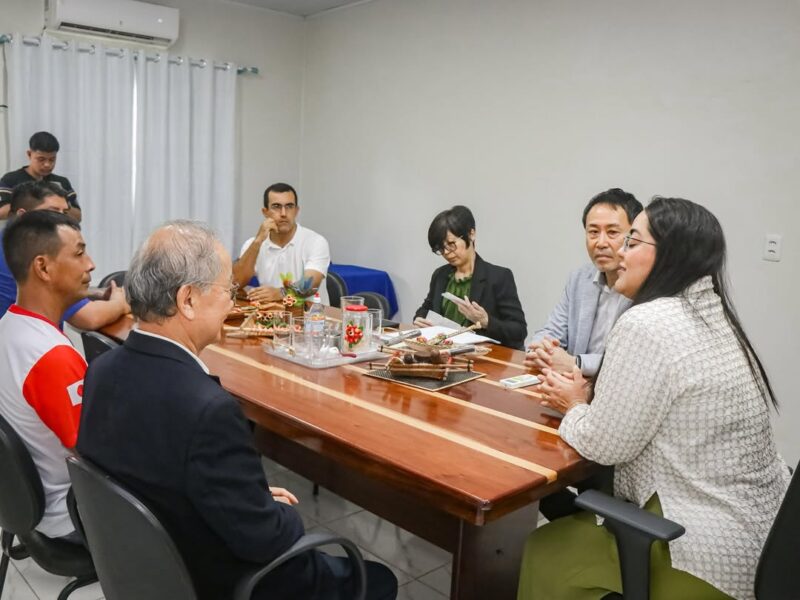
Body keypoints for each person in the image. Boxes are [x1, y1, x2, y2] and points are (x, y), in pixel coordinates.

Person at [77, 221, 397, 600]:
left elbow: (155, 467)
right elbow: (268, 539)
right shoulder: (207, 409)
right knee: (379, 578)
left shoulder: (101, 369)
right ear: (188, 300)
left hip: (147, 568)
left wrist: (245, 495)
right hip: (218, 580)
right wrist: (272, 509)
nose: (232, 302)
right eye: (228, 290)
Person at [518, 197, 791, 600]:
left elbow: (604, 444)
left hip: (698, 551)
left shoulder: (648, 322)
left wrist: (574, 405)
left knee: (542, 549)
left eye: (630, 241)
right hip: (765, 544)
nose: (619, 253)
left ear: (669, 255)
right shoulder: (714, 314)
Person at [0, 210, 94, 544]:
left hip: (26, 506)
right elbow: (95, 455)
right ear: (43, 267)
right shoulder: (50, 356)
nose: (91, 265)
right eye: (79, 253)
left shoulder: (8, 326)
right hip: (70, 515)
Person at [525, 188, 642, 376]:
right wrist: (540, 348)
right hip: (570, 382)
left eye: (612, 232)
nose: (601, 243)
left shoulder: (645, 285)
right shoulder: (579, 279)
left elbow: (633, 362)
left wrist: (576, 363)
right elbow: (551, 330)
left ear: (633, 237)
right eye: (593, 232)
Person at [0, 182, 129, 328]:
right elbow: (90, 318)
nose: (61, 219)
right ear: (23, 215)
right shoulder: (27, 252)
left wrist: (94, 293)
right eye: (52, 212)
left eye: (64, 212)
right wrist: (120, 303)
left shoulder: (9, 241)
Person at [413, 205, 527, 349]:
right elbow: (426, 308)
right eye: (441, 248)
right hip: (442, 352)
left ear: (471, 234)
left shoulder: (499, 277)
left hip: (482, 356)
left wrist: (486, 321)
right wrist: (419, 318)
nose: (446, 252)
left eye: (451, 244)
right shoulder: (441, 275)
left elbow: (519, 331)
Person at [233, 182, 331, 304]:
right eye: (276, 206)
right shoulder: (252, 244)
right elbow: (235, 283)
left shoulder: (316, 242)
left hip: (311, 314)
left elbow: (310, 284)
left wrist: (281, 293)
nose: (283, 213)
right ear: (265, 212)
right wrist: (257, 241)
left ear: (296, 211)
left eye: (289, 206)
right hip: (271, 313)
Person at [0, 131, 81, 222]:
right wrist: (37, 202)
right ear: (29, 154)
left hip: (53, 230)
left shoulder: (61, 182)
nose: (47, 164)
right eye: (41, 159)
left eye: (52, 160)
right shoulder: (11, 179)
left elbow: (78, 217)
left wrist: (60, 202)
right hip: (22, 230)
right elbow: (1, 212)